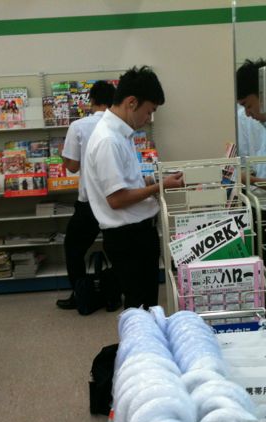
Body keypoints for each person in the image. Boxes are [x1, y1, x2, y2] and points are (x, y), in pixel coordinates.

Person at [84, 66, 184, 309]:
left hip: (137, 234)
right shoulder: (109, 140)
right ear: (131, 102)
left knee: (146, 303)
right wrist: (159, 187)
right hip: (128, 238)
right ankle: (140, 347)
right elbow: (117, 199)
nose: (148, 119)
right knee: (140, 307)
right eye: (149, 111)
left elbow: (127, 183)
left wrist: (154, 181)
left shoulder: (121, 135)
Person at [56, 80, 117, 310]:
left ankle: (80, 294)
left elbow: (71, 166)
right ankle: (114, 294)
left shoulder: (79, 126)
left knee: (74, 248)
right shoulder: (119, 125)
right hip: (117, 199)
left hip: (89, 202)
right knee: (116, 248)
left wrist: (65, 154)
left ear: (91, 100)